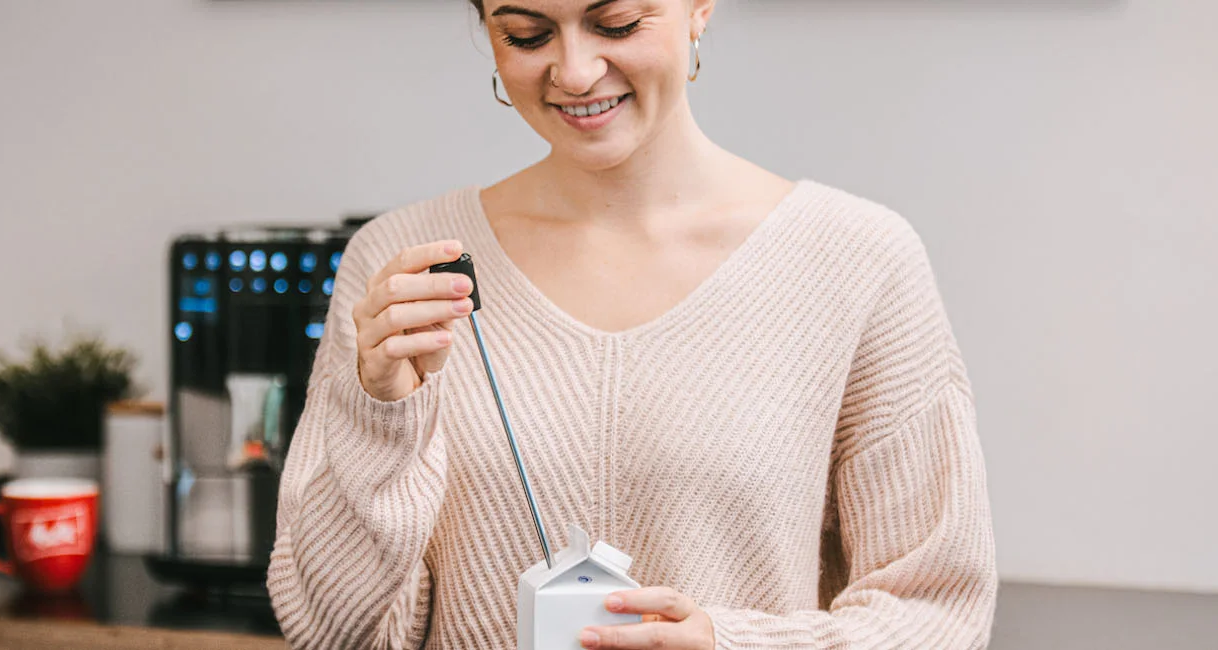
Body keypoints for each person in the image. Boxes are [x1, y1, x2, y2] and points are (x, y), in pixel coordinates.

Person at [266, 0, 996, 647]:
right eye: (527, 35)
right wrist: (379, 415)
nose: (576, 72)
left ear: (699, 8)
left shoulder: (857, 260)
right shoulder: (407, 266)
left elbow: (936, 612)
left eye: (616, 23)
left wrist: (733, 645)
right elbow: (336, 633)